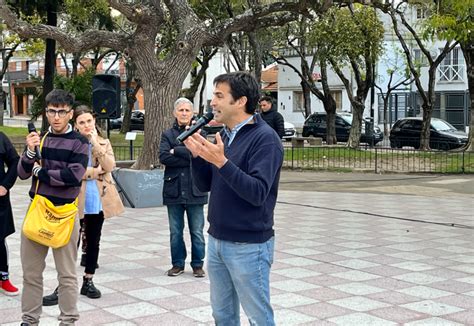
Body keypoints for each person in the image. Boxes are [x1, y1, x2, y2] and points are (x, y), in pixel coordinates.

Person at [183, 72, 283, 325]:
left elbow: (258, 192)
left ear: (240, 101)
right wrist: (197, 157)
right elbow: (205, 185)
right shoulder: (225, 135)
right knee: (223, 315)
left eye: (219, 96)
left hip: (248, 245)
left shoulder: (265, 139)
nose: (212, 103)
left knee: (258, 317)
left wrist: (221, 161)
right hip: (216, 239)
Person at [17, 89, 89, 325]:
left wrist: (42, 172)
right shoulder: (41, 139)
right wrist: (29, 152)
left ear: (70, 113)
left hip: (65, 213)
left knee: (66, 274)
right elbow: (22, 172)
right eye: (51, 111)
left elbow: (73, 176)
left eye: (61, 112)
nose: (56, 117)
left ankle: (67, 320)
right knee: (31, 273)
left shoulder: (80, 142)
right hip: (37, 209)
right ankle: (29, 319)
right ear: (46, 112)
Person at [42, 105, 123, 306]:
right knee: (69, 244)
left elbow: (110, 166)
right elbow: (71, 172)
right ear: (75, 125)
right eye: (81, 122)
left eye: (89, 121)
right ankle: (63, 286)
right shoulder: (71, 144)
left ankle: (88, 280)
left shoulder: (102, 142)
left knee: (94, 241)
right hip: (74, 198)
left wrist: (94, 142)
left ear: (94, 121)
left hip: (98, 198)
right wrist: (94, 172)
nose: (86, 125)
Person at [159, 97, 207, 277]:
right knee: (175, 231)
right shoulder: (167, 134)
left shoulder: (200, 133)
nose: (184, 113)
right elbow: (163, 157)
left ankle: (197, 264)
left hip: (196, 188)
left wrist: (176, 150)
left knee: (197, 231)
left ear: (193, 113)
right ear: (175, 113)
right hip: (174, 189)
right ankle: (177, 264)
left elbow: (201, 155)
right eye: (181, 110)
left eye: (187, 110)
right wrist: (188, 153)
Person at [0, 132, 20, 296]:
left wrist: (5, 185)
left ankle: (3, 278)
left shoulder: (1, 138)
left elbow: (15, 162)